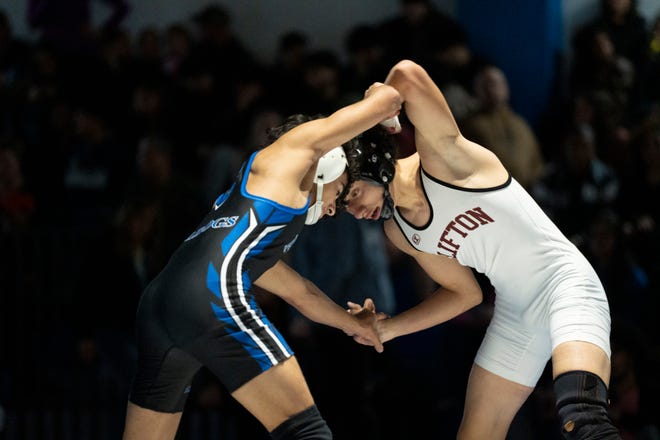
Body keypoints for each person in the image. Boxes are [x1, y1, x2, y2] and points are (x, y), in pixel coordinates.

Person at [341, 60, 622, 439]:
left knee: (581, 416)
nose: (357, 212)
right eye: (346, 206)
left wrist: (377, 105)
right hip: (515, 312)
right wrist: (387, 330)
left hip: (565, 285)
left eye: (355, 193)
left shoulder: (442, 160)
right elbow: (465, 293)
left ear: (375, 162)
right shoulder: (399, 230)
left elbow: (407, 73)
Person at [121, 81, 402, 440]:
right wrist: (380, 98)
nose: (336, 205)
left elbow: (301, 293)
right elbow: (390, 98)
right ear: (328, 161)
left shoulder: (257, 208)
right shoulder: (297, 150)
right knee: (307, 431)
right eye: (342, 188)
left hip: (161, 302)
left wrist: (354, 324)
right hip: (211, 297)